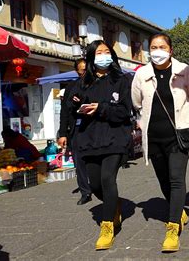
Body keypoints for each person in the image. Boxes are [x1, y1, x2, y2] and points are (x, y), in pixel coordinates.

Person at [131, 33, 189, 253]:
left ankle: (172, 228)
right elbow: (136, 102)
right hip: (153, 138)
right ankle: (177, 209)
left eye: (162, 46)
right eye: (153, 47)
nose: (157, 51)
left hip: (178, 137)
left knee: (176, 179)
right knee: (163, 180)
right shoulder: (141, 74)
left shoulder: (184, 70)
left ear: (171, 50)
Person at [68, 40, 133, 250]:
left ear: (112, 56)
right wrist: (76, 103)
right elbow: (71, 106)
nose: (103, 55)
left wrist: (102, 109)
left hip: (114, 138)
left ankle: (107, 227)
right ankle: (113, 205)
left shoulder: (122, 80)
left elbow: (125, 111)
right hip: (89, 138)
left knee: (107, 178)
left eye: (106, 52)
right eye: (98, 52)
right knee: (95, 185)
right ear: (91, 58)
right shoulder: (82, 82)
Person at [57, 58, 92, 205]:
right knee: (79, 161)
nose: (84, 72)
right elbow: (64, 112)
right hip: (76, 128)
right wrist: (63, 133)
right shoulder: (71, 87)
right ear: (77, 71)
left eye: (86, 69)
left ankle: (97, 184)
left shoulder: (96, 84)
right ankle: (85, 191)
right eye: (81, 70)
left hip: (93, 127)